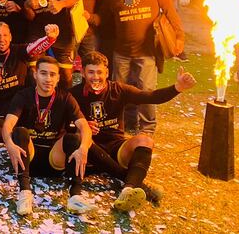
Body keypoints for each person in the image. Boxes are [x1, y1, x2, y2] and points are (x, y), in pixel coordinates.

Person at [69, 51, 195, 211]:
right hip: (90, 151)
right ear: (83, 73)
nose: (96, 77)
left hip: (116, 148)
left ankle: (128, 190)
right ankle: (135, 181)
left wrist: (178, 87)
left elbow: (150, 97)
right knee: (79, 137)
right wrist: (82, 125)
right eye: (91, 72)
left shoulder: (118, 89)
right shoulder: (73, 94)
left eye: (100, 72)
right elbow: (64, 126)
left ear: (107, 72)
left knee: (145, 140)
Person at [98, 0, 184, 135]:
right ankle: (127, 125)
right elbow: (101, 20)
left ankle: (147, 128)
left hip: (147, 52)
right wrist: (85, 15)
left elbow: (170, 10)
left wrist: (180, 36)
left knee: (146, 91)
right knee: (122, 92)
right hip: (121, 53)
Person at [1, 56, 95, 216]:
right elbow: (7, 125)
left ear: (58, 78)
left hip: (54, 159)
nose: (48, 79)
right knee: (19, 132)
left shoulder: (65, 98)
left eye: (52, 75)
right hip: (27, 158)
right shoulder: (23, 95)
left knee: (74, 138)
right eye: (43, 73)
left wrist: (84, 148)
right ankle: (24, 193)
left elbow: (84, 126)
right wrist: (9, 144)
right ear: (35, 74)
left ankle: (76, 196)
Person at [11, 0, 76, 83]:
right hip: (37, 30)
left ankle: (62, 103)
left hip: (61, 28)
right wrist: (27, 6)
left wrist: (60, 4)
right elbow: (30, 17)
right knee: (33, 73)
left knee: (66, 76)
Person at [0, 22, 30, 141]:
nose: (2, 39)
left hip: (22, 109)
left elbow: (35, 47)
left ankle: (18, 135)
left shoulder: (19, 50)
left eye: (5, 35)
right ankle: (15, 138)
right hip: (2, 113)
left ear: (10, 37)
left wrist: (50, 38)